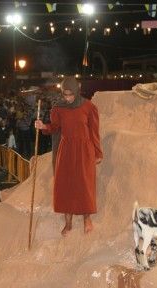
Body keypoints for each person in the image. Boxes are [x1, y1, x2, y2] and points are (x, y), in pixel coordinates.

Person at [35, 76, 103, 236]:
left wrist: (98, 152)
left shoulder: (89, 107)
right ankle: (68, 224)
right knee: (66, 186)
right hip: (65, 151)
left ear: (77, 91)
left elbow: (94, 132)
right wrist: (44, 126)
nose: (68, 98)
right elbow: (56, 127)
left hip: (84, 150)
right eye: (65, 94)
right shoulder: (58, 109)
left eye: (70, 94)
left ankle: (87, 220)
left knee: (84, 184)